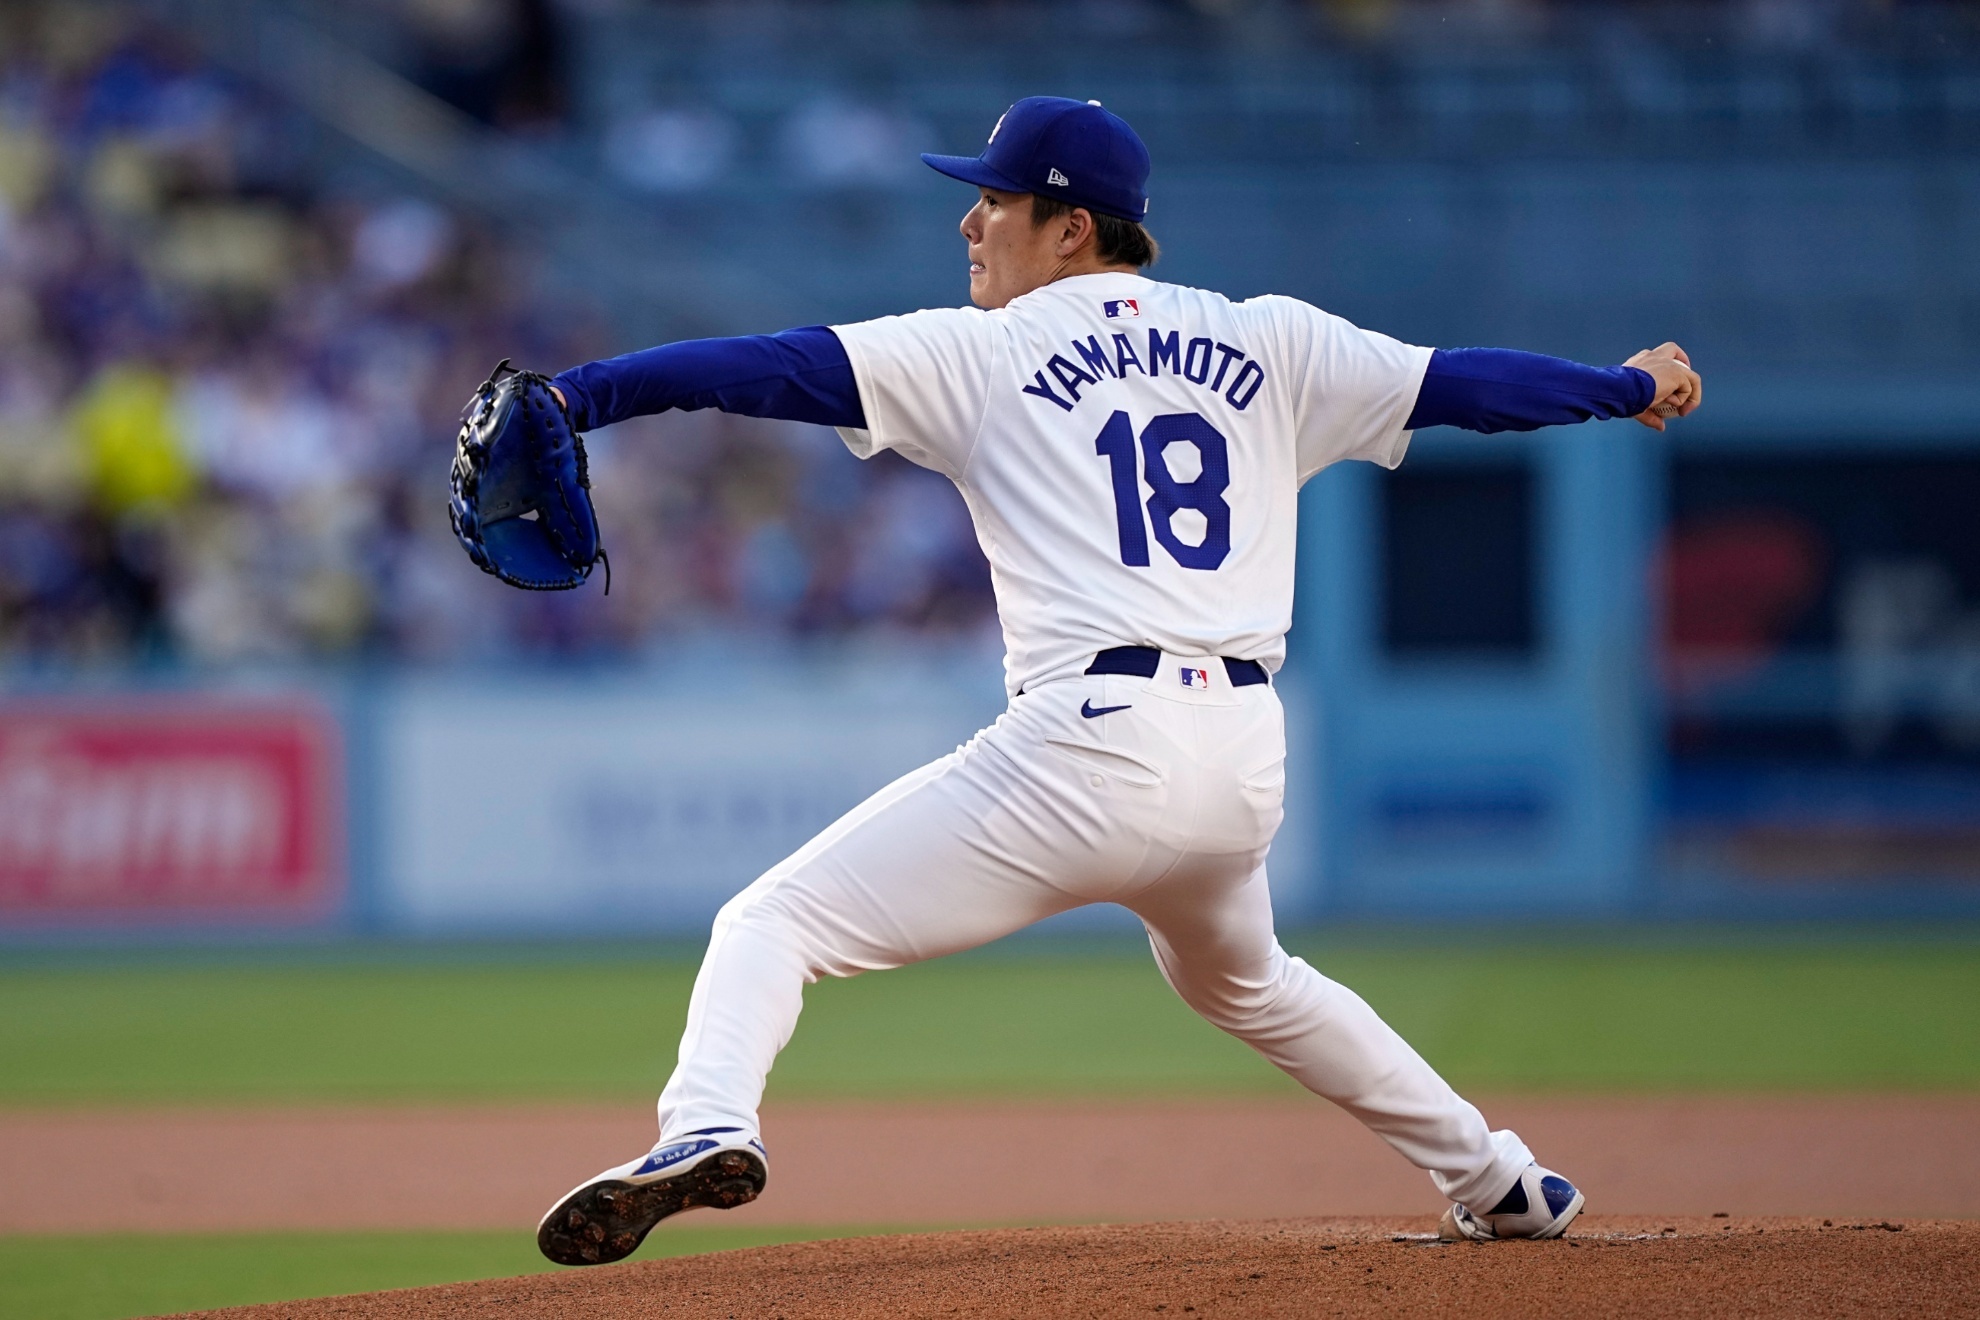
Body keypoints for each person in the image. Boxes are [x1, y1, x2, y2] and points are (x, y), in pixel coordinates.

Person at [531, 96, 1701, 1267]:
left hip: (1086, 743)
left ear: (1072, 229)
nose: (972, 224)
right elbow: (1467, 387)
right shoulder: (1270, 340)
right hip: (1241, 752)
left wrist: (581, 395)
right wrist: (1622, 385)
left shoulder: (980, 350)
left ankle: (707, 1126)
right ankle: (1501, 1180)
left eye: (994, 199)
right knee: (1253, 984)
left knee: (772, 921)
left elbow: (764, 369)